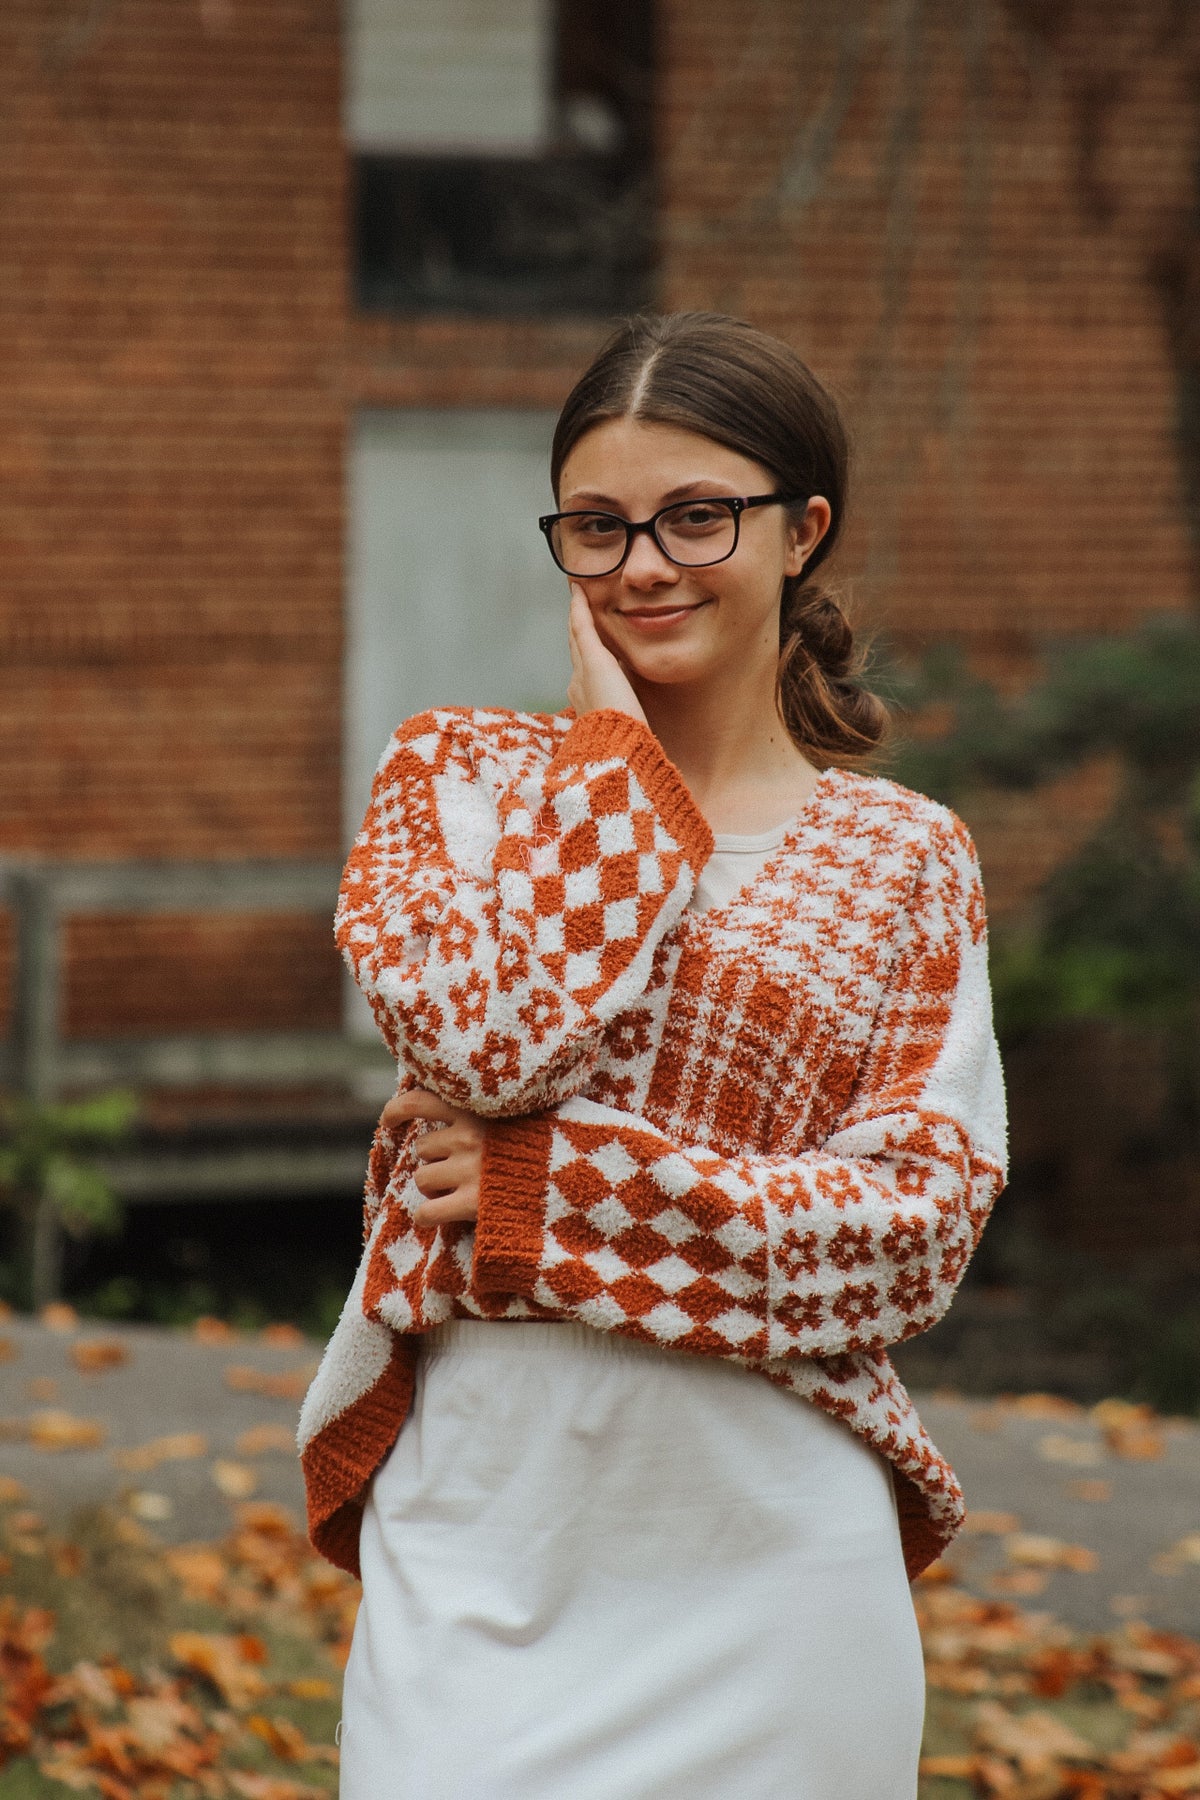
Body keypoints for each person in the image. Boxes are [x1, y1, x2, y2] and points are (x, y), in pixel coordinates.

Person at [298, 311, 1008, 1798]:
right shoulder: (460, 781)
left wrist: (545, 1195)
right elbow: (477, 1042)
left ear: (802, 529)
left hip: (772, 1558)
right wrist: (616, 776)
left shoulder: (903, 861)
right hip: (490, 1529)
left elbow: (912, 1239)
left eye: (698, 516)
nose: (642, 564)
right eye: (599, 526)